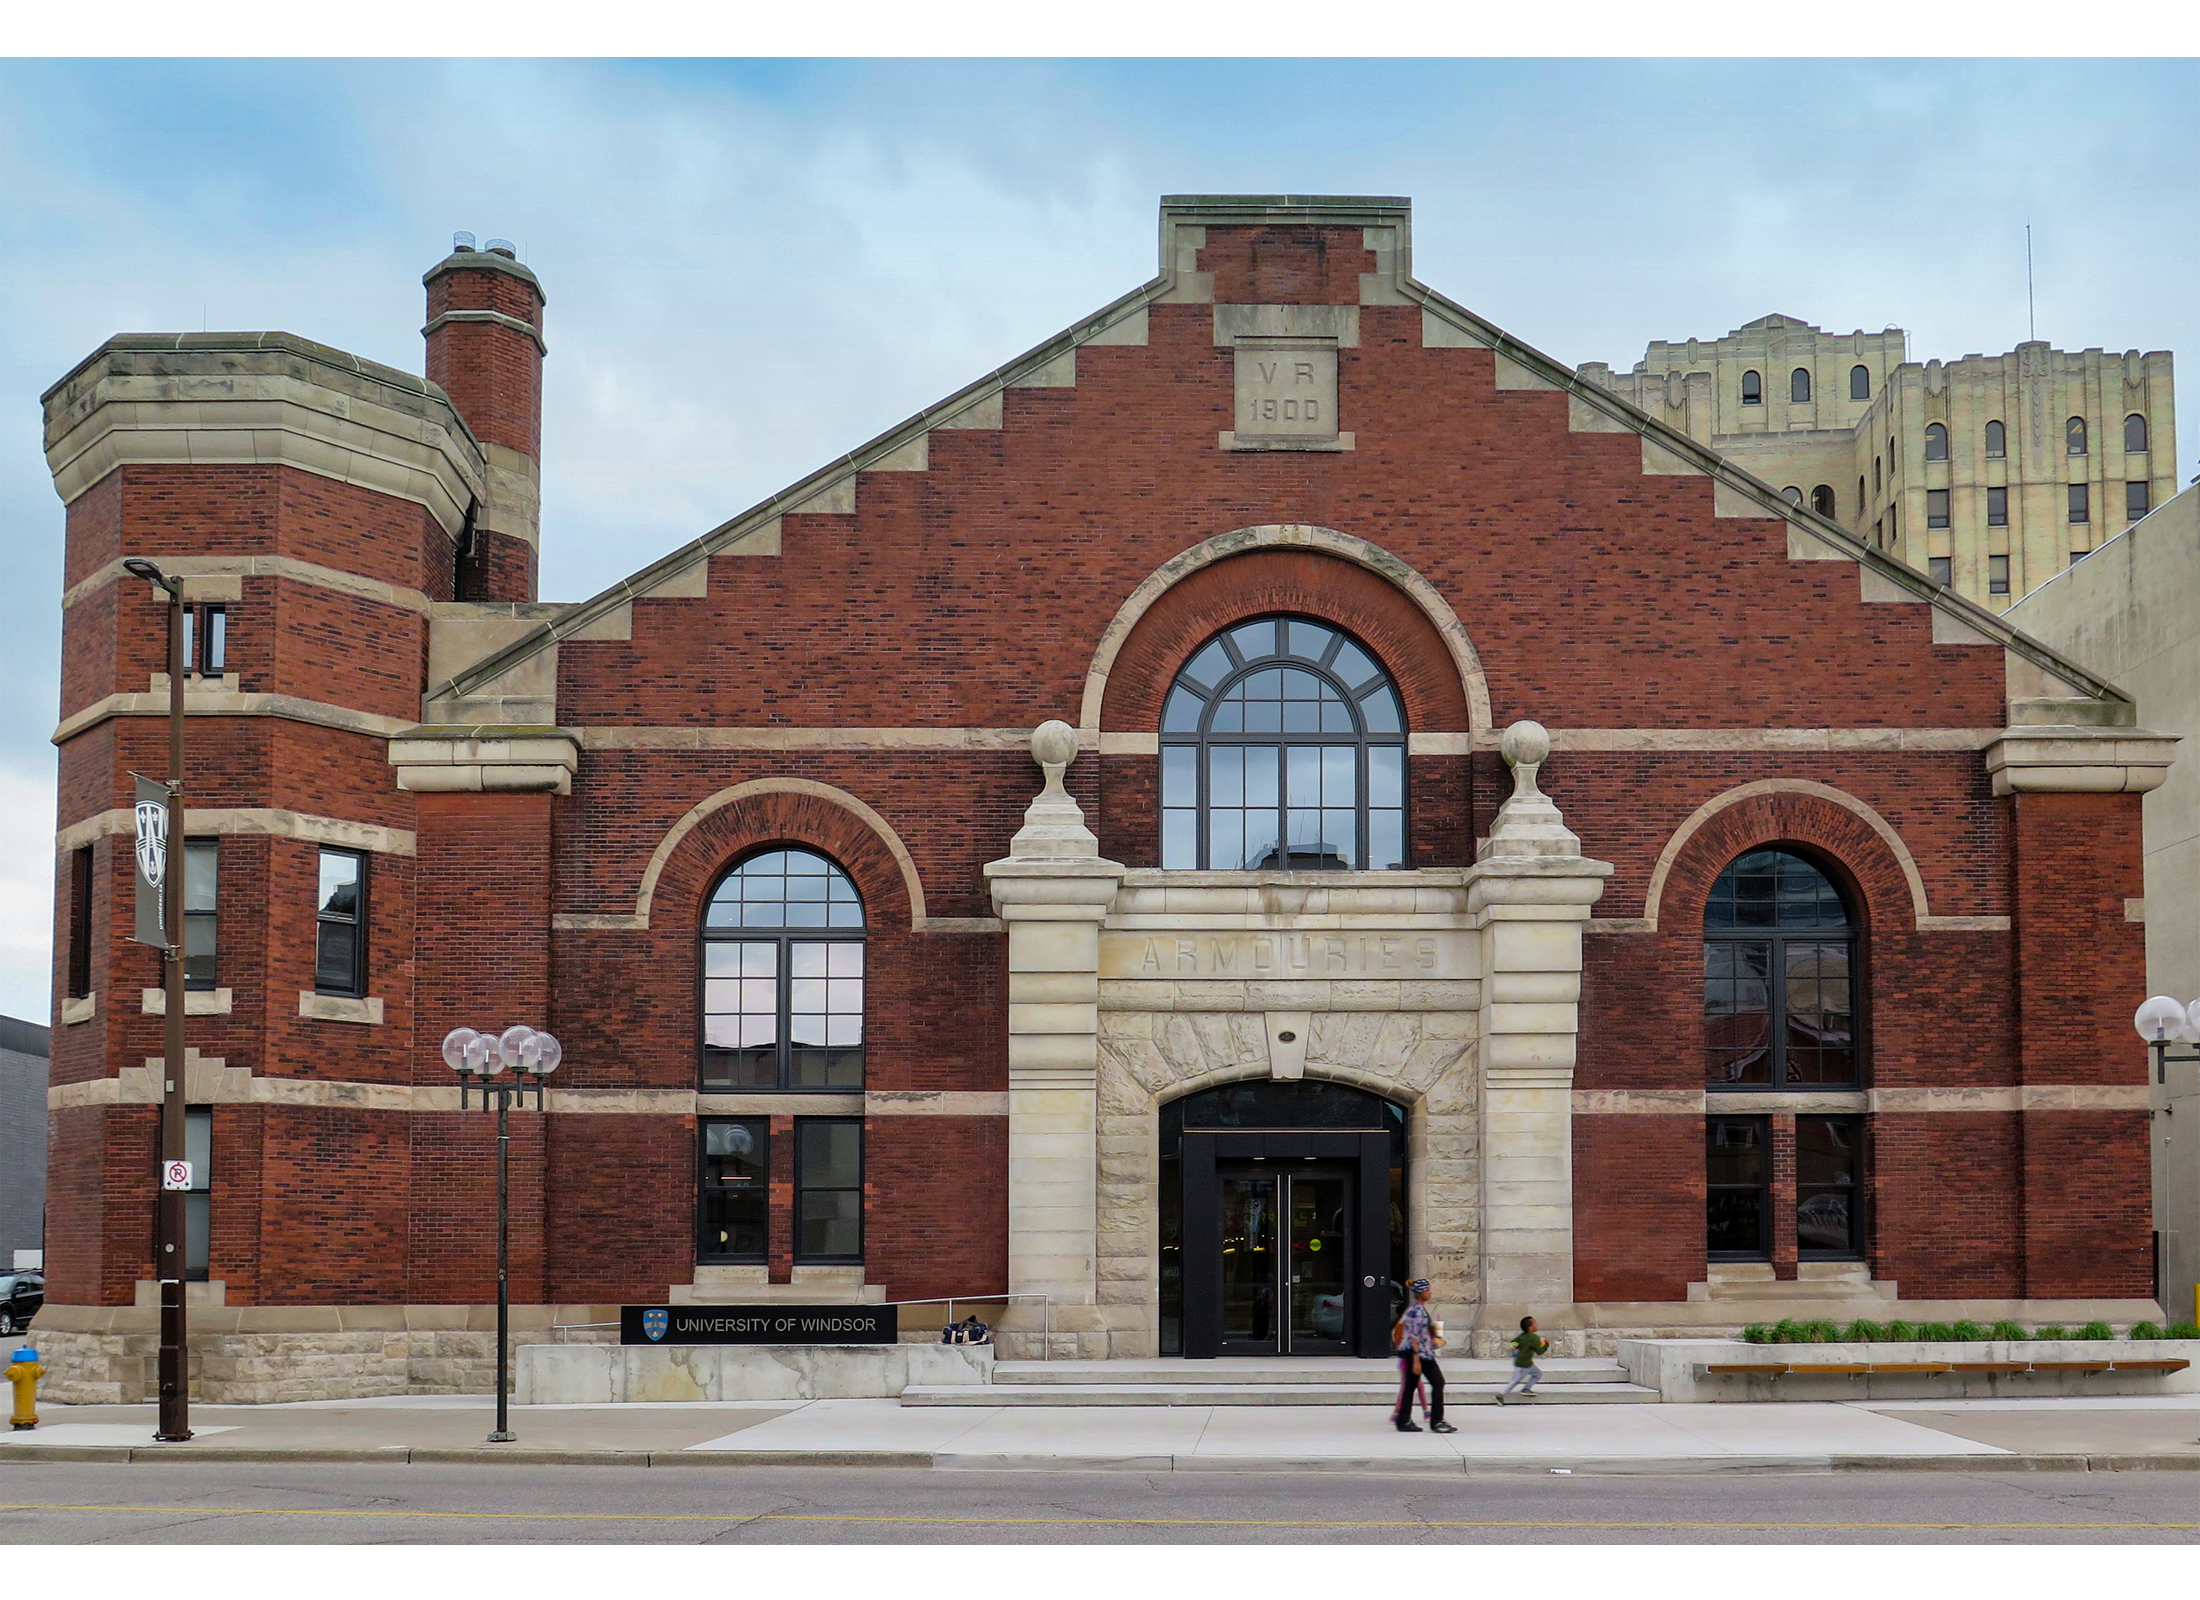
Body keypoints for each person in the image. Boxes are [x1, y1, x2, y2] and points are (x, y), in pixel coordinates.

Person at [1390, 1279, 1455, 1433]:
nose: (1430, 1293)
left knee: (1410, 1387)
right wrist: (1416, 1360)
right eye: (1428, 1290)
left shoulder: (1418, 1309)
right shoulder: (1416, 1311)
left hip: (1419, 1353)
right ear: (1421, 1292)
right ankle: (1437, 1421)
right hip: (1419, 1355)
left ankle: (1403, 1421)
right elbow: (1413, 1336)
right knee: (1438, 1383)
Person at [1497, 1314, 1549, 1402]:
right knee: (1515, 1381)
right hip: (1524, 1364)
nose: (1536, 1325)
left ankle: (1526, 1389)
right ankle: (1500, 1396)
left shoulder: (1522, 1336)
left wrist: (1517, 1349)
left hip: (1524, 1362)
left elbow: (1513, 1343)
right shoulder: (1534, 1338)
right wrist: (1546, 1345)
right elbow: (1539, 1351)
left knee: (1537, 1374)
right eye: (1534, 1323)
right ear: (1530, 1327)